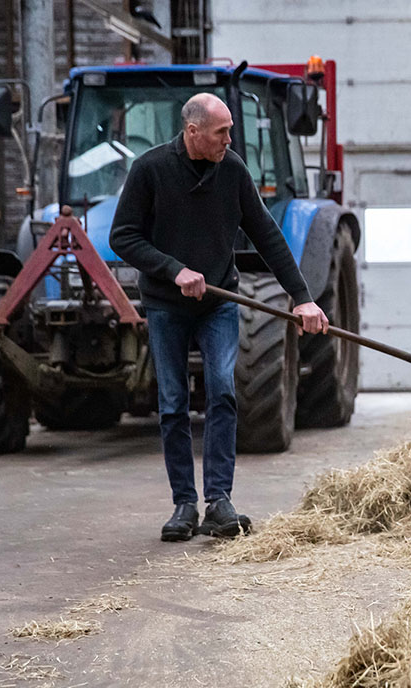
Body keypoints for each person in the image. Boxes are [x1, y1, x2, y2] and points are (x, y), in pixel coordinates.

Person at [110, 92, 328, 542]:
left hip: (219, 302)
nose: (230, 140)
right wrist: (174, 270)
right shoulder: (151, 170)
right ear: (193, 133)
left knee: (224, 392)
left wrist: (302, 297)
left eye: (229, 130)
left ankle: (219, 501)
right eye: (221, 132)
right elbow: (122, 237)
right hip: (166, 305)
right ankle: (184, 505)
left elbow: (267, 234)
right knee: (172, 403)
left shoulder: (232, 171)